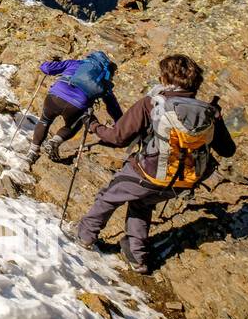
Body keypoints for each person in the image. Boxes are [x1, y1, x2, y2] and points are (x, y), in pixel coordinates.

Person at [75, 53, 235, 275]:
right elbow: (228, 151)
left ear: (165, 78)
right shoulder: (209, 112)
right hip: (183, 181)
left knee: (109, 196)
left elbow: (117, 138)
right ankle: (137, 256)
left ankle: (84, 236)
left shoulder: (151, 104)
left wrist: (93, 125)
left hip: (148, 172)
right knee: (142, 204)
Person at [29, 51, 123, 163]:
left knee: (45, 120)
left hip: (54, 98)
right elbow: (113, 106)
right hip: (76, 107)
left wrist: (49, 63)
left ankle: (32, 153)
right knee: (74, 125)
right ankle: (54, 142)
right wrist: (120, 123)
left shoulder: (76, 63)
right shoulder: (103, 81)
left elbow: (46, 69)